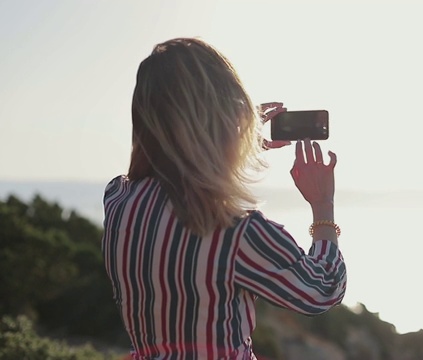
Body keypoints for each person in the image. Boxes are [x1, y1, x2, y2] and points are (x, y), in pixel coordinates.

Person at [101, 38, 346, 360]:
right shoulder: (237, 230)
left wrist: (239, 140)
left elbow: (175, 172)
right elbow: (320, 291)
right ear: (226, 113)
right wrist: (323, 205)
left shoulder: (118, 198)